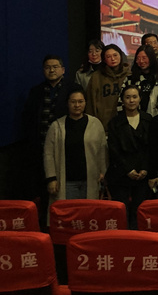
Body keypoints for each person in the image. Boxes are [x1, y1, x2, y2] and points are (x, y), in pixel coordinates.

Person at [22, 55, 76, 223]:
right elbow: (29, 119)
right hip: (40, 146)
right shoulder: (36, 91)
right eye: (47, 67)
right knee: (44, 187)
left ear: (63, 70)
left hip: (65, 148)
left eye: (55, 67)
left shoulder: (73, 89)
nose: (51, 70)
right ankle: (46, 223)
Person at [43, 87, 107, 205]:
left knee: (88, 212)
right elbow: (48, 154)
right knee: (68, 211)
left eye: (80, 101)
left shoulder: (95, 124)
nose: (77, 105)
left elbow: (102, 151)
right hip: (66, 181)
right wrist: (51, 178)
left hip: (90, 180)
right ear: (67, 103)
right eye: (73, 102)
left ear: (85, 103)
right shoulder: (57, 126)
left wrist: (103, 172)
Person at [106, 85, 152, 229]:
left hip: (142, 174)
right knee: (122, 211)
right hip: (121, 174)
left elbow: (151, 148)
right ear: (122, 100)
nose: (131, 100)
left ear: (140, 99)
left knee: (139, 212)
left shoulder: (148, 119)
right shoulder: (115, 122)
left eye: (134, 97)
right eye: (127, 97)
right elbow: (113, 149)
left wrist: (145, 169)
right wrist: (127, 170)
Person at [86, 44, 129, 131]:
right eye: (108, 56)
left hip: (127, 123)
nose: (113, 59)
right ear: (104, 60)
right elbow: (90, 102)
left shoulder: (129, 75)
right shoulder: (96, 77)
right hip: (103, 124)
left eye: (115, 55)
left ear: (120, 56)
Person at [123, 44, 158, 112]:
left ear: (151, 58)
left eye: (144, 58)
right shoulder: (130, 79)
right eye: (138, 58)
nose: (141, 61)